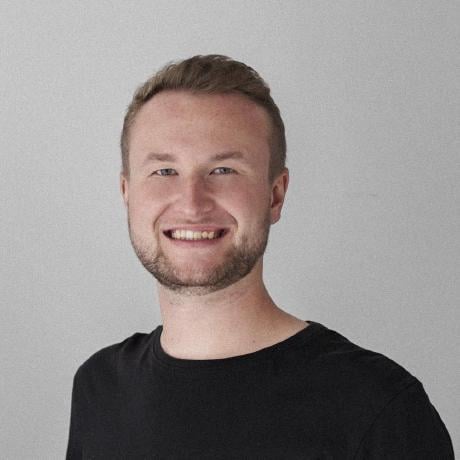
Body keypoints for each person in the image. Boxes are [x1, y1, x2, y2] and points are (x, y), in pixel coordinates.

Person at [66, 55, 454, 459]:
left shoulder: (378, 408)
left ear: (275, 195)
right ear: (127, 194)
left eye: (223, 170)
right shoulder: (99, 388)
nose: (192, 203)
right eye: (164, 172)